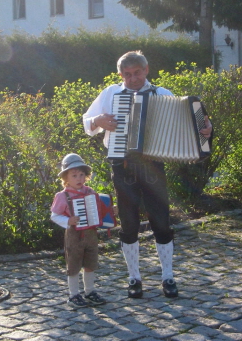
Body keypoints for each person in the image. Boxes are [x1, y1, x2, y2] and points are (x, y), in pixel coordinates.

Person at [83, 51, 213, 299]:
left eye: (137, 73)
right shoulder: (111, 93)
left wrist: (207, 128)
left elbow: (190, 124)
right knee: (129, 224)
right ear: (120, 74)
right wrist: (98, 119)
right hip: (122, 165)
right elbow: (88, 123)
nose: (132, 79)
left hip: (153, 166)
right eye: (127, 74)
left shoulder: (162, 95)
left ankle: (168, 276)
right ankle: (134, 278)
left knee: (161, 222)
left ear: (146, 70)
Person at [50, 153, 106, 308]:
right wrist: (68, 221)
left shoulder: (90, 192)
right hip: (74, 235)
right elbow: (54, 216)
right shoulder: (62, 196)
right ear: (66, 178)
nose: (79, 178)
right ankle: (73, 295)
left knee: (90, 263)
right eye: (74, 175)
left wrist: (110, 211)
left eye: (81, 175)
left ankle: (89, 292)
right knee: (74, 265)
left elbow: (101, 211)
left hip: (91, 234)